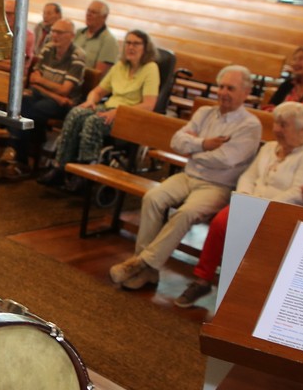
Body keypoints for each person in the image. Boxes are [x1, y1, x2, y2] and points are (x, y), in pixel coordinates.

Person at [108, 65, 260, 291]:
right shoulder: (205, 112)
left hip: (217, 186)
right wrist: (204, 144)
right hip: (188, 176)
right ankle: (148, 271)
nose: (223, 92)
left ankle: (140, 263)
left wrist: (193, 149)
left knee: (186, 213)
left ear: (245, 93)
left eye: (230, 88)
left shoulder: (250, 125)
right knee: (153, 198)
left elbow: (226, 159)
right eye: (221, 87)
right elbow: (176, 141)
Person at [174, 102, 303, 309]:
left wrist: (265, 207)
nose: (277, 129)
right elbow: (249, 176)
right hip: (252, 204)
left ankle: (243, 293)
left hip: (283, 212)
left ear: (302, 129)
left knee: (257, 234)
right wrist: (245, 198)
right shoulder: (269, 148)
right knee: (220, 223)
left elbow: (299, 192)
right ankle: (203, 280)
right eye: (276, 124)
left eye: (284, 125)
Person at [38, 31, 158, 190]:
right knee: (75, 113)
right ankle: (60, 167)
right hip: (108, 108)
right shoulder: (120, 66)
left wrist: (119, 112)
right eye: (128, 43)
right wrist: (90, 101)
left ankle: (85, 174)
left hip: (129, 116)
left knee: (93, 121)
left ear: (145, 47)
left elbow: (149, 105)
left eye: (136, 44)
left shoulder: (151, 68)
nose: (131, 47)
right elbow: (98, 91)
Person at [1, 16, 86, 180]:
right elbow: (34, 79)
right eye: (54, 31)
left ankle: (18, 154)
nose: (55, 35)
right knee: (18, 103)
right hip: (47, 97)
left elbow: (65, 90)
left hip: (65, 105)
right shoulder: (48, 49)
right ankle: (25, 150)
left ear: (71, 36)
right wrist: (54, 92)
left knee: (30, 111)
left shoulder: (77, 56)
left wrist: (44, 86)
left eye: (60, 33)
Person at [72, 0, 119, 76]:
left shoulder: (109, 41)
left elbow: (97, 75)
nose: (88, 14)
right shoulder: (78, 33)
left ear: (104, 17)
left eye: (93, 12)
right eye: (88, 11)